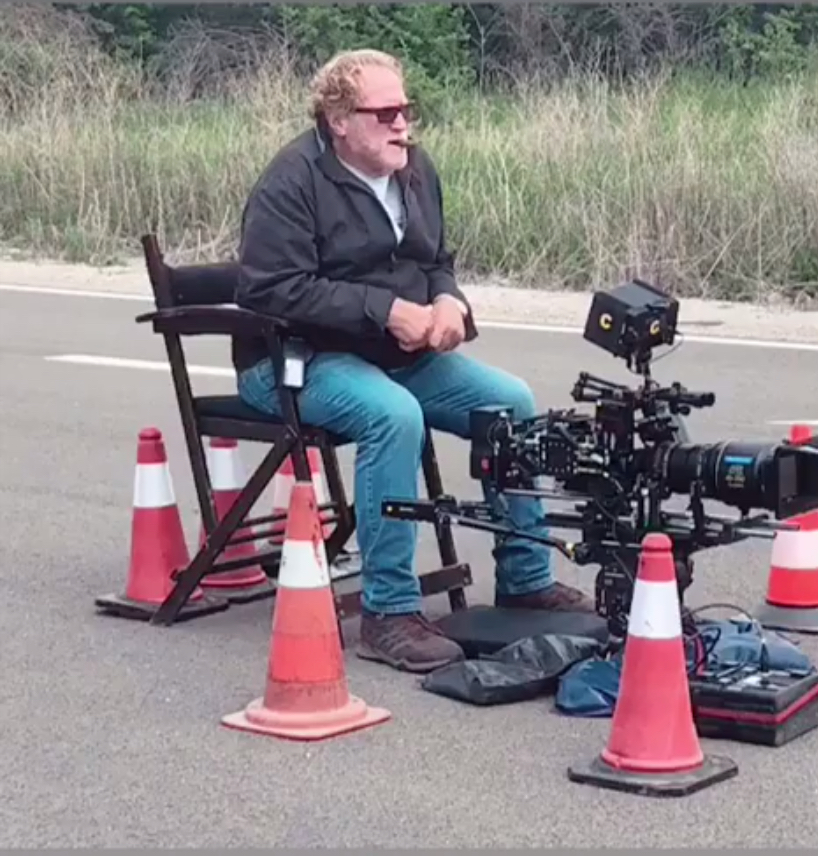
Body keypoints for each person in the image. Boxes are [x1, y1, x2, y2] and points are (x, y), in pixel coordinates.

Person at [233, 48, 595, 673]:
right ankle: (389, 614)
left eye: (406, 109)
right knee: (394, 416)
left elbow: (435, 262)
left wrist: (449, 302)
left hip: (394, 356)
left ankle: (526, 578)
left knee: (511, 403)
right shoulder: (291, 181)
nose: (402, 124)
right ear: (338, 120)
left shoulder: (415, 168)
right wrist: (385, 310)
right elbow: (269, 289)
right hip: (296, 359)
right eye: (385, 113)